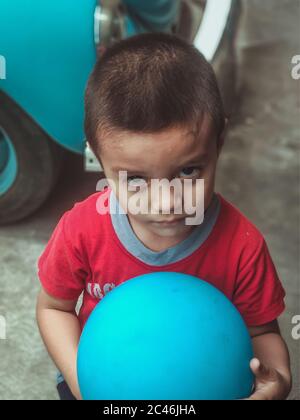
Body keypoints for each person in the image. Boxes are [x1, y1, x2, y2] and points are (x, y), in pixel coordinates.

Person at [36, 33, 292, 400]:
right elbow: (53, 308)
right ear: (97, 157)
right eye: (136, 179)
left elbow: (263, 332)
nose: (166, 202)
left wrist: (277, 380)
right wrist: (83, 381)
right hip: (101, 379)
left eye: (188, 172)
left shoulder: (242, 246)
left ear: (218, 141)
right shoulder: (82, 229)